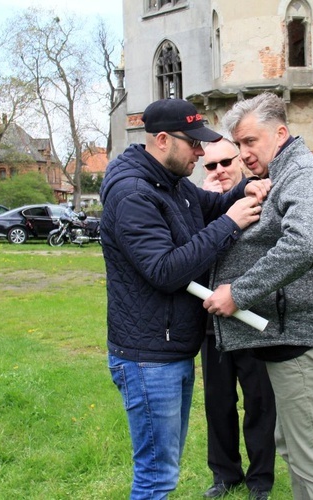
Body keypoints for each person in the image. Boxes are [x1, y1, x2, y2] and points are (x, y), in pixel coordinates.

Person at [99, 98, 271, 500]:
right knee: (156, 478)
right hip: (146, 357)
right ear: (162, 140)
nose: (200, 152)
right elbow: (165, 270)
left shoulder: (172, 184)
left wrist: (247, 186)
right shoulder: (132, 194)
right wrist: (230, 224)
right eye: (193, 144)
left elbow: (210, 203)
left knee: (163, 470)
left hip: (169, 349)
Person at [203, 93, 313, 500]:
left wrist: (238, 293)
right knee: (297, 452)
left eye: (251, 141)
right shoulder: (281, 178)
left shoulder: (306, 174)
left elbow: (305, 244)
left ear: (281, 133)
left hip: (309, 344)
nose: (244, 153)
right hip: (292, 342)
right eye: (239, 144)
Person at [200, 139, 276, 500]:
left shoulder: (259, 198)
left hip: (253, 317)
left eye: (226, 161)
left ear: (240, 163)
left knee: (259, 401)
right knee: (218, 400)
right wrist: (204, 208)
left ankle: (260, 480)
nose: (219, 171)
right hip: (212, 317)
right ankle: (225, 474)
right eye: (210, 166)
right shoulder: (198, 206)